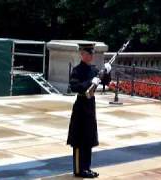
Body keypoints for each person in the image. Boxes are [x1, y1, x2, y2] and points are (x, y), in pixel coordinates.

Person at [66, 43, 111, 178]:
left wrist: (108, 71)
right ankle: (79, 170)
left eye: (92, 53)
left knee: (88, 137)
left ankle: (87, 167)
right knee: (79, 138)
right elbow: (74, 87)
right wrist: (89, 81)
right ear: (82, 54)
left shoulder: (93, 69)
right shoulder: (77, 70)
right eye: (88, 53)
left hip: (90, 105)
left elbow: (105, 82)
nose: (91, 56)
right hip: (80, 105)